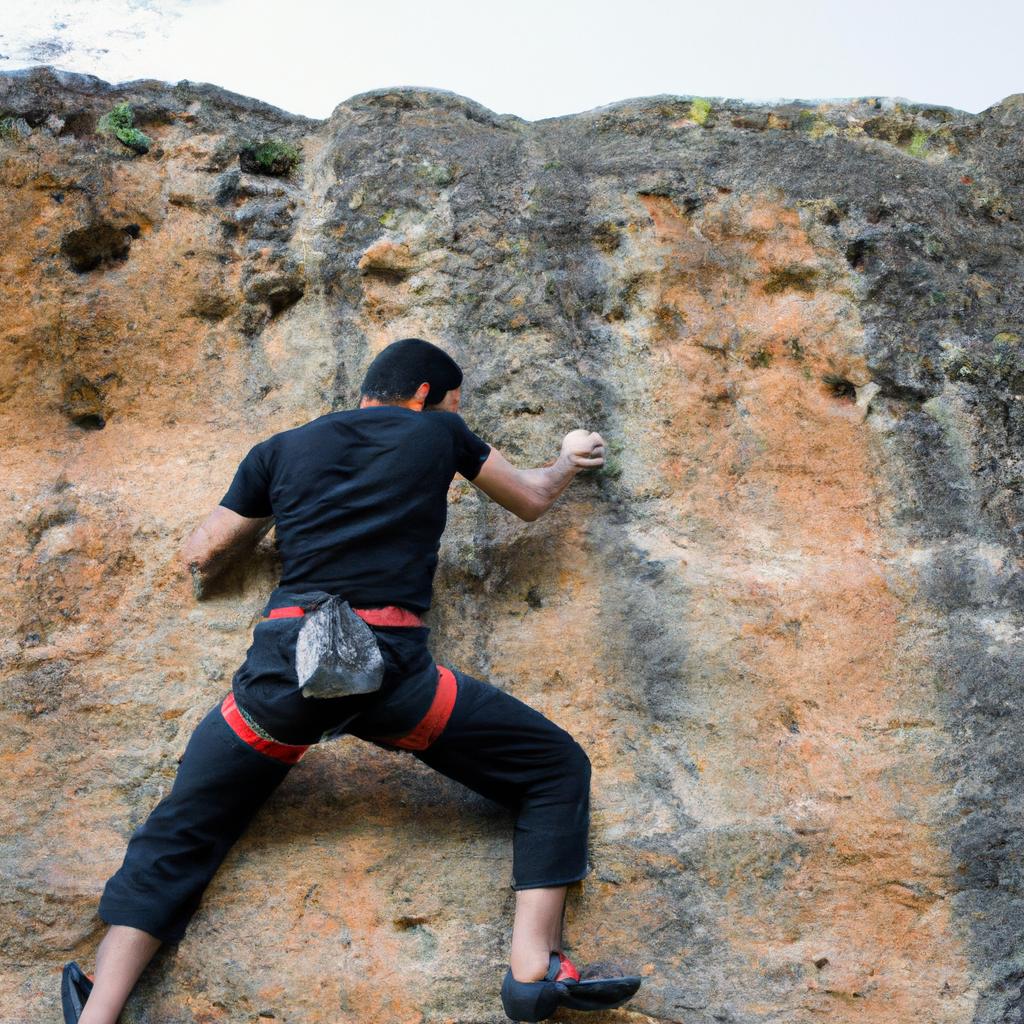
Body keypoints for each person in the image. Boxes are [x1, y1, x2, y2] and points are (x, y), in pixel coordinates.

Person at [61, 337, 642, 1024]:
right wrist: (569, 459)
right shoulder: (439, 431)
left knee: (183, 829)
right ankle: (531, 972)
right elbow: (533, 498)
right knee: (552, 767)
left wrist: (268, 528)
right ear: (427, 395)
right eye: (453, 402)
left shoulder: (279, 449)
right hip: (389, 676)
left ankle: (98, 1014)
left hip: (284, 674)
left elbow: (204, 550)